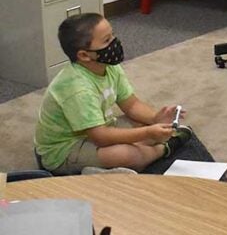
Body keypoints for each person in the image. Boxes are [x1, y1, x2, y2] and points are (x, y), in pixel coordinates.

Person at [34, 13, 192, 175]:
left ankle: (122, 158)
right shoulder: (77, 88)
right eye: (107, 40)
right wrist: (148, 133)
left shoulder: (109, 67)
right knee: (128, 154)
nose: (115, 43)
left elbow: (131, 105)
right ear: (84, 55)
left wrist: (155, 119)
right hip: (64, 150)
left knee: (140, 126)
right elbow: (101, 137)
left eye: (113, 35)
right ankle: (163, 149)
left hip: (96, 129)